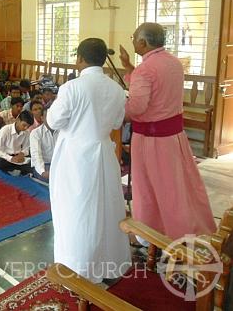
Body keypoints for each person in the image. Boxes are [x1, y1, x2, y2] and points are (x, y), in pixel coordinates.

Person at [119, 23, 215, 239]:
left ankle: (150, 234)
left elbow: (136, 108)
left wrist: (116, 110)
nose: (132, 40)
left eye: (134, 37)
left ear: (143, 42)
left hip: (151, 141)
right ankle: (185, 227)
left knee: (149, 189)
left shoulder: (145, 69)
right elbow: (153, 87)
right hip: (173, 137)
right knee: (176, 186)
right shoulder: (173, 62)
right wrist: (128, 67)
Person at [47, 37, 130, 283]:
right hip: (103, 153)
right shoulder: (116, 88)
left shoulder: (72, 88)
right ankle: (107, 262)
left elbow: (53, 121)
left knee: (76, 212)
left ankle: (78, 267)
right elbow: (116, 123)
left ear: (80, 58)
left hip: (75, 157)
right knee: (104, 208)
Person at [0, 110, 33, 176]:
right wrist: (11, 158)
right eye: (24, 125)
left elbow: (26, 147)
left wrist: (22, 154)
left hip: (18, 157)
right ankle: (18, 170)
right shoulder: (5, 130)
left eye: (28, 126)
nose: (26, 128)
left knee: (32, 163)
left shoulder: (27, 132)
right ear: (18, 120)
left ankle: (15, 170)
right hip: (6, 157)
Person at [29, 118, 57, 185]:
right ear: (42, 118)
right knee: (55, 180)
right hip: (44, 165)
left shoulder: (62, 131)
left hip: (58, 164)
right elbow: (36, 155)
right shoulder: (36, 133)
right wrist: (43, 172)